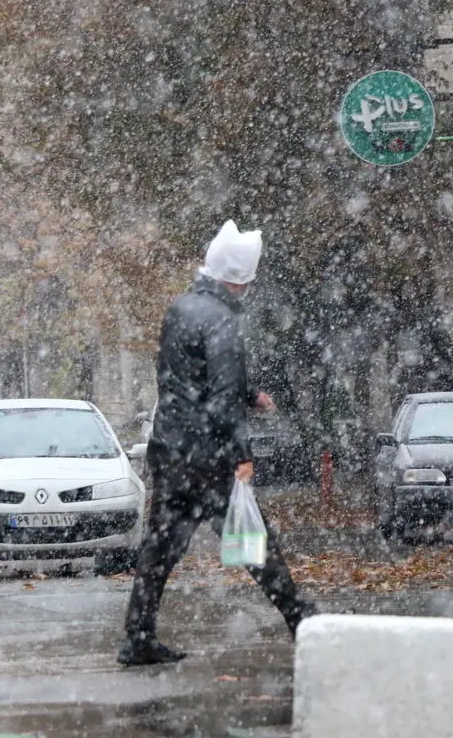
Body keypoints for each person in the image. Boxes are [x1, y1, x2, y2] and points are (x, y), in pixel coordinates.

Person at [118, 220, 317, 666]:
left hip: (170, 449)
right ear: (239, 279)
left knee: (160, 548)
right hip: (208, 457)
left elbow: (185, 374)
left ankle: (138, 634)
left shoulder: (180, 308)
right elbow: (222, 394)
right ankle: (301, 619)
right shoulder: (224, 320)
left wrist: (250, 393)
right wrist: (241, 454)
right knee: (252, 540)